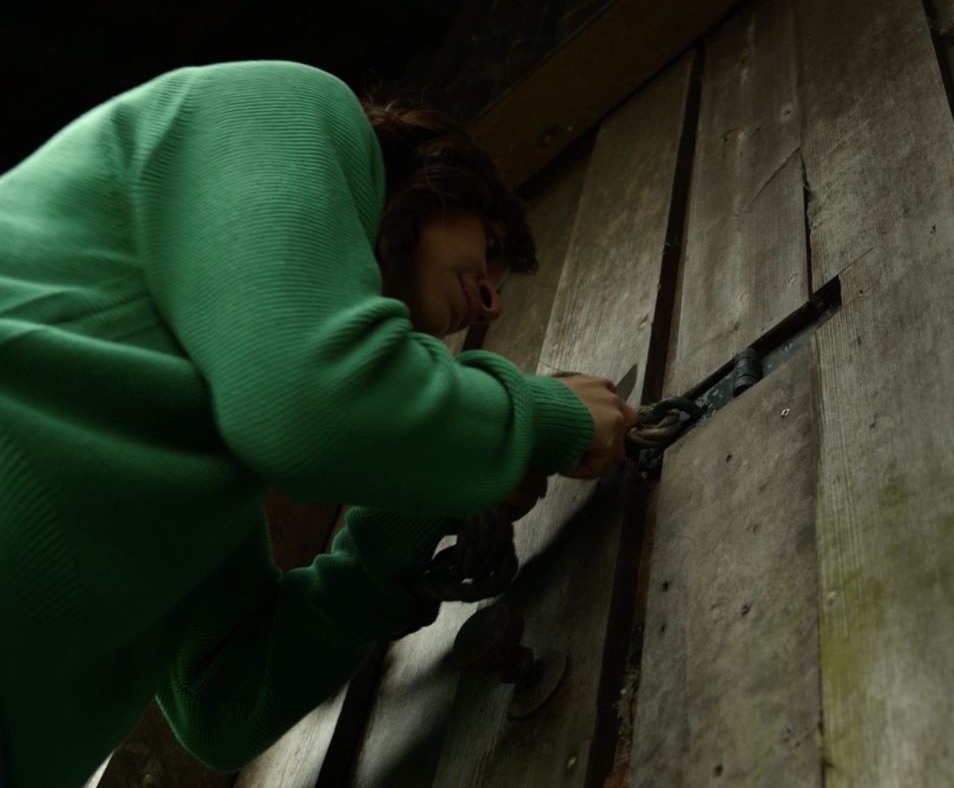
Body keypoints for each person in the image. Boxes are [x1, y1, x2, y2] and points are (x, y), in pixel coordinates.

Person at [0, 60, 637, 787]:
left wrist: (399, 525)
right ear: (436, 176)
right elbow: (316, 406)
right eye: (489, 247)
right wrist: (543, 412)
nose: (490, 302)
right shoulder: (289, 105)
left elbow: (223, 701)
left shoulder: (196, 435)